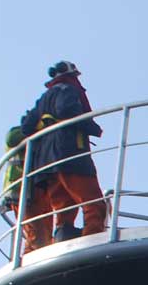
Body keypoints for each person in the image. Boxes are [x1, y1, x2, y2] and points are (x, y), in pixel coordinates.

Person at [20, 61, 107, 249]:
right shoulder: (68, 89)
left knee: (64, 206)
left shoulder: (44, 98)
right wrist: (92, 127)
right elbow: (66, 110)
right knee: (92, 200)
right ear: (73, 75)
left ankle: (63, 239)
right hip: (70, 154)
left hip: (46, 162)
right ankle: (94, 239)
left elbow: (26, 126)